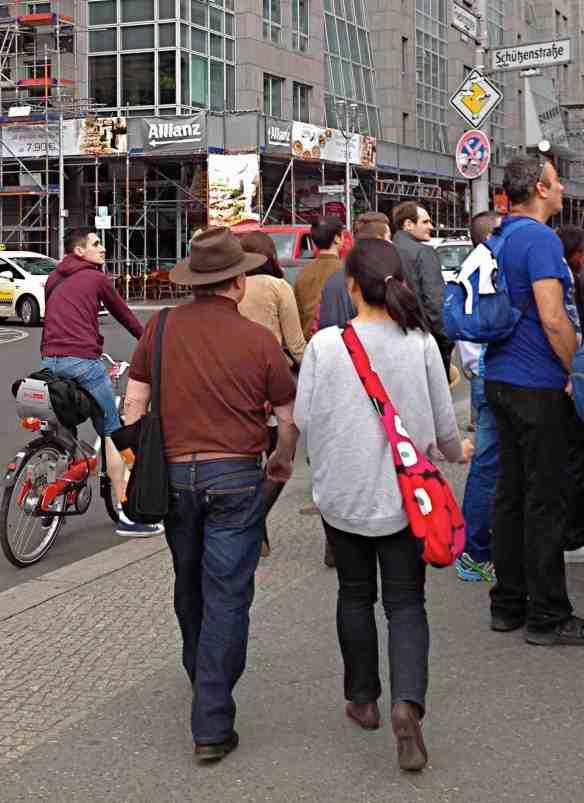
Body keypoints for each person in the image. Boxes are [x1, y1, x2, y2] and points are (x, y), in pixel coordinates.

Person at [294, 238, 472, 771]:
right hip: (406, 499)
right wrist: (454, 452)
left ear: (351, 287)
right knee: (405, 604)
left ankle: (363, 699)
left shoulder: (327, 345)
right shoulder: (419, 344)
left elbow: (303, 419)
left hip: (342, 495)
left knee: (354, 596)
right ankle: (407, 703)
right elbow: (443, 427)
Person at [124, 227, 298, 760]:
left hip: (175, 478)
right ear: (238, 283)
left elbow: (133, 408)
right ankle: (213, 718)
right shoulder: (258, 341)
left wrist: (135, 463)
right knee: (227, 592)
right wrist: (281, 460)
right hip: (237, 479)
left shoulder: (162, 327)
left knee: (188, 579)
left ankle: (200, 668)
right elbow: (288, 421)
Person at [484, 155, 584, 646]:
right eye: (556, 180)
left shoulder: (499, 235)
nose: (562, 186)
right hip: (537, 382)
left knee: (510, 493)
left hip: (499, 376)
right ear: (541, 190)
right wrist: (574, 367)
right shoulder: (540, 239)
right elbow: (552, 316)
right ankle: (548, 615)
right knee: (545, 498)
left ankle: (507, 603)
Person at [40, 226, 163, 537]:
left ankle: (51, 500)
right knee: (112, 431)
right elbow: (124, 315)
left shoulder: (53, 279)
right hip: (83, 362)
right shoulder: (96, 278)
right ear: (79, 251)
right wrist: (151, 343)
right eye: (96, 244)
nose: (103, 249)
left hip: (48, 361)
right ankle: (127, 515)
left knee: (61, 430)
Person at [238, 230, 306, 557]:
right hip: (274, 382)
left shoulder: (232, 286)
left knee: (247, 461)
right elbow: (294, 344)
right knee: (281, 457)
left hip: (235, 383)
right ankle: (254, 520)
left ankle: (256, 532)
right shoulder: (279, 287)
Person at [455, 210, 501, 582]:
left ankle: (475, 547)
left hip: (482, 372)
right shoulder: (489, 265)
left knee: (488, 465)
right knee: (489, 466)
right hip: (494, 372)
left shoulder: (473, 263)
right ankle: (474, 550)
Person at [391, 202, 452, 379]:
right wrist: (446, 339)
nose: (431, 227)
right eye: (425, 222)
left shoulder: (386, 250)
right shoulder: (424, 253)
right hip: (423, 339)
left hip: (393, 338)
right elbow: (434, 301)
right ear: (408, 225)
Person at [318, 212, 391, 331]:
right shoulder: (383, 279)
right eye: (389, 238)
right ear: (378, 240)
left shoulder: (335, 280)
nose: (391, 244)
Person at [294, 216, 343, 339]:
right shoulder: (347, 271)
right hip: (339, 342)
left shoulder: (303, 273)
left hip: (309, 342)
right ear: (337, 239)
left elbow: (298, 312)